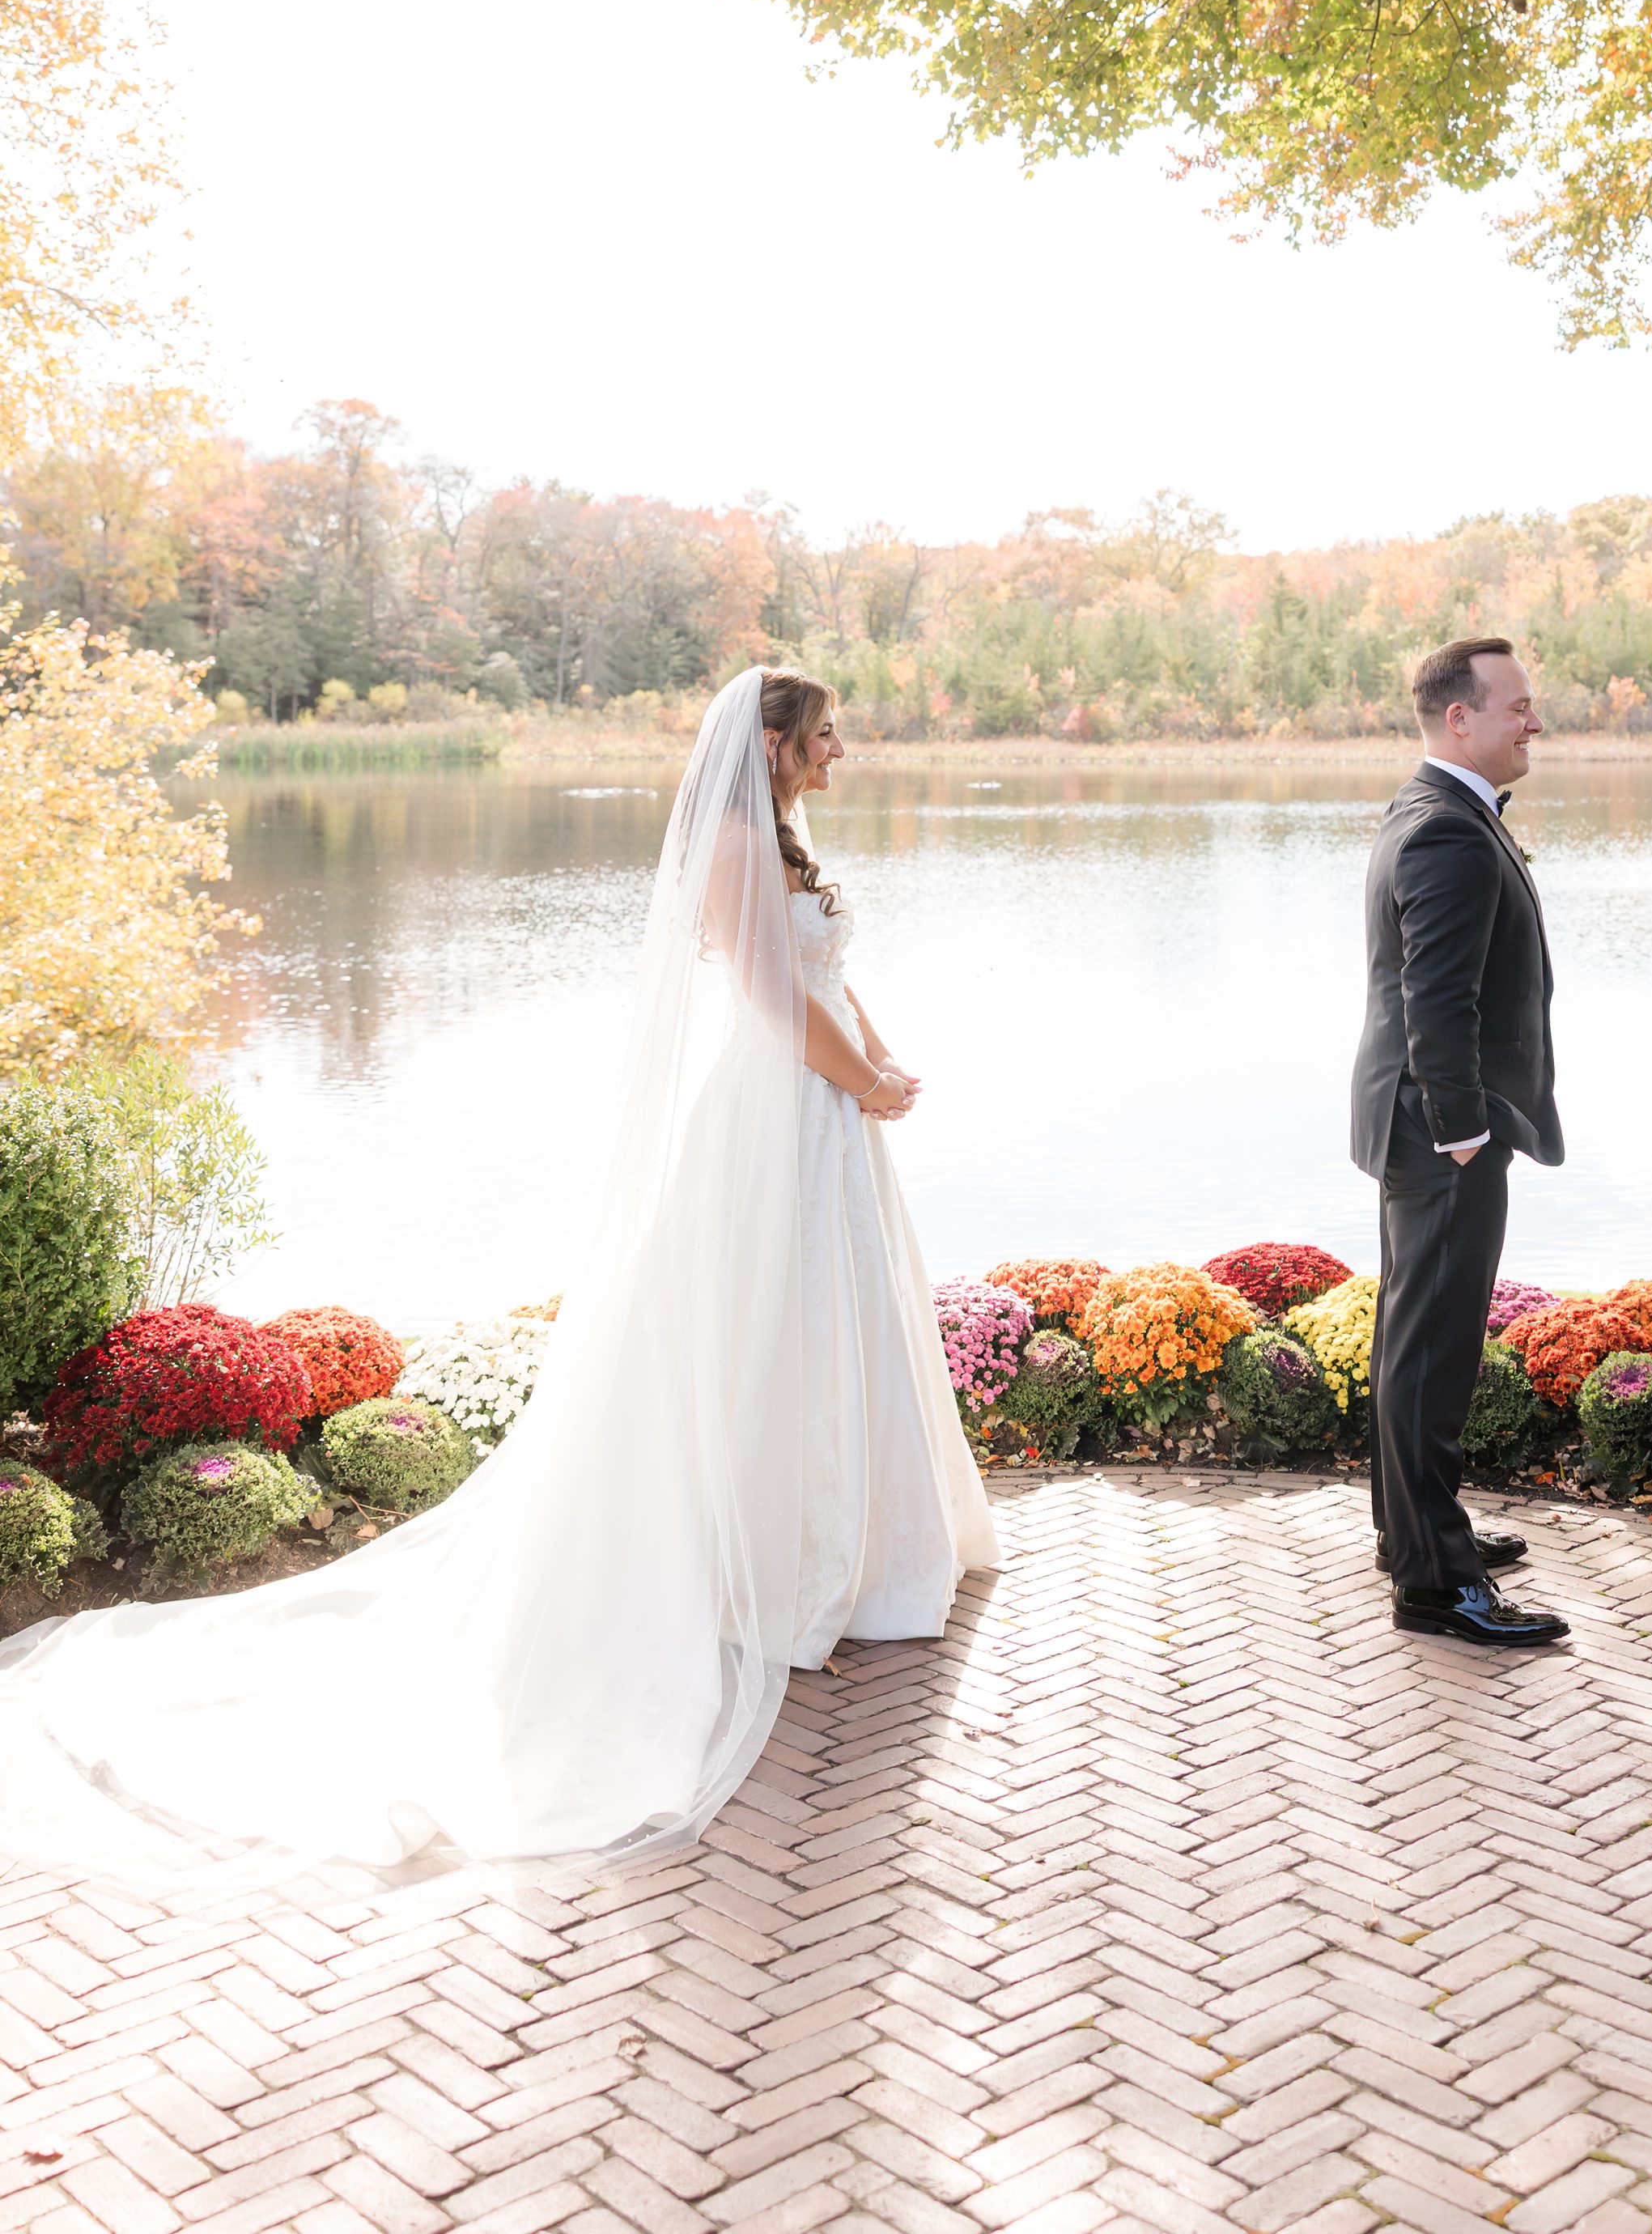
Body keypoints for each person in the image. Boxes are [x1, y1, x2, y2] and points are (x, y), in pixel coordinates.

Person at [0, 667, 996, 1879]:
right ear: (775, 743)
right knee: (763, 1329)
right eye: (828, 733)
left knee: (834, 1319)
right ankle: (768, 1575)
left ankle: (863, 1549)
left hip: (828, 1113)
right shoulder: (735, 847)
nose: (844, 750)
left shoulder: (786, 836)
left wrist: (885, 1061)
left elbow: (832, 979)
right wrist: (864, 1081)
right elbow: (776, 1001)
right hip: (774, 1118)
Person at [1349, 637, 1569, 1650]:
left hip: (1414, 1120)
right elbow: (1434, 997)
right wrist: (1468, 1133)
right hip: (1442, 1130)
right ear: (1460, 721)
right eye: (1519, 706)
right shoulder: (1447, 831)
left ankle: (1412, 1532)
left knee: (1415, 1331)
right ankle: (1438, 1583)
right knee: (1436, 1345)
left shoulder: (1428, 807)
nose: (1534, 720)